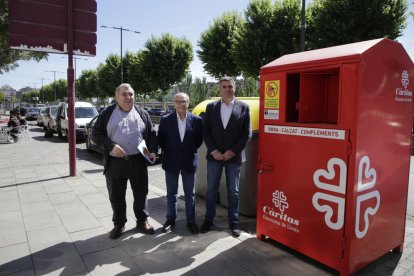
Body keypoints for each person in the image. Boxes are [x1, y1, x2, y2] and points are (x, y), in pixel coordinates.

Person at [92, 83, 158, 239]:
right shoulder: (107, 113)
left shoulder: (142, 113)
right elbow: (95, 135)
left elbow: (151, 135)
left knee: (141, 193)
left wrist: (153, 151)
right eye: (124, 94)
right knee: (116, 195)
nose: (128, 97)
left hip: (138, 161)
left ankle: (142, 221)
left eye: (131, 94)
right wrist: (111, 146)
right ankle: (119, 224)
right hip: (115, 162)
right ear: (117, 97)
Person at [200, 76, 251, 237]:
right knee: (211, 189)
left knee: (233, 191)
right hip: (214, 156)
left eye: (230, 86)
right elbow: (205, 131)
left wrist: (233, 151)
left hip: (233, 157)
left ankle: (234, 223)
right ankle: (208, 219)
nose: (227, 89)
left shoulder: (243, 107)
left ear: (234, 88)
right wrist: (213, 150)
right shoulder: (211, 107)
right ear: (219, 89)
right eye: (224, 86)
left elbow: (246, 133)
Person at [157, 92, 203, 234]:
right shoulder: (165, 120)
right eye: (178, 101)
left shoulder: (197, 120)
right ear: (174, 104)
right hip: (171, 162)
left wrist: (187, 151)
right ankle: (170, 220)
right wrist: (173, 151)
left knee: (190, 194)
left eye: (184, 101)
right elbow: (161, 141)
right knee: (172, 194)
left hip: (189, 161)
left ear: (188, 103)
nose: (181, 104)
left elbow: (198, 141)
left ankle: (191, 222)